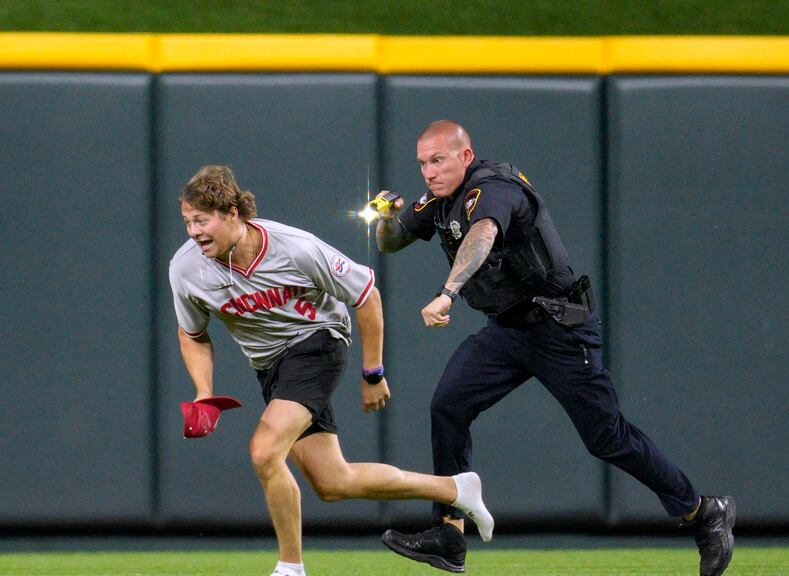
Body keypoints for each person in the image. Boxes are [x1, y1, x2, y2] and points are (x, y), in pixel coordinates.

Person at [373, 121, 736, 576]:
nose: (429, 171)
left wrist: (448, 291)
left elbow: (483, 234)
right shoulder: (440, 200)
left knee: (607, 438)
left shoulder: (495, 188)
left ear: (465, 156)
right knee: (448, 404)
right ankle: (449, 533)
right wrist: (387, 216)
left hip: (558, 327)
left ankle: (703, 512)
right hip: (506, 331)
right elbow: (391, 242)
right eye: (423, 163)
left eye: (438, 160)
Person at [169, 165, 493, 576]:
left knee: (264, 452)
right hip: (270, 367)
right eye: (187, 222)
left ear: (232, 212)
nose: (194, 231)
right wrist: (204, 392)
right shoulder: (186, 268)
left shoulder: (294, 248)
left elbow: (367, 295)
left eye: (202, 219)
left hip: (316, 344)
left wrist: (372, 372)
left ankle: (290, 568)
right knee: (332, 481)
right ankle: (456, 488)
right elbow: (193, 334)